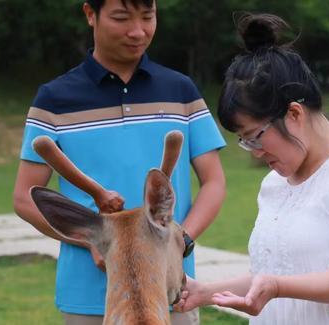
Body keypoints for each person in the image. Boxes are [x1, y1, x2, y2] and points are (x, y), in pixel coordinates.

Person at [174, 13, 329, 324]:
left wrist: (277, 286)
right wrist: (207, 292)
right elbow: (268, 277)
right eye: (244, 142)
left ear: (294, 113)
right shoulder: (275, 185)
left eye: (255, 137)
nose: (255, 153)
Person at [12, 0, 226, 324]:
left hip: (170, 293)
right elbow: (24, 197)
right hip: (89, 296)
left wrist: (181, 240)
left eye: (148, 16)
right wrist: (91, 243)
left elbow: (214, 181)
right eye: (122, 17)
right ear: (90, 14)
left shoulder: (181, 91)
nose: (138, 31)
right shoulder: (54, 100)